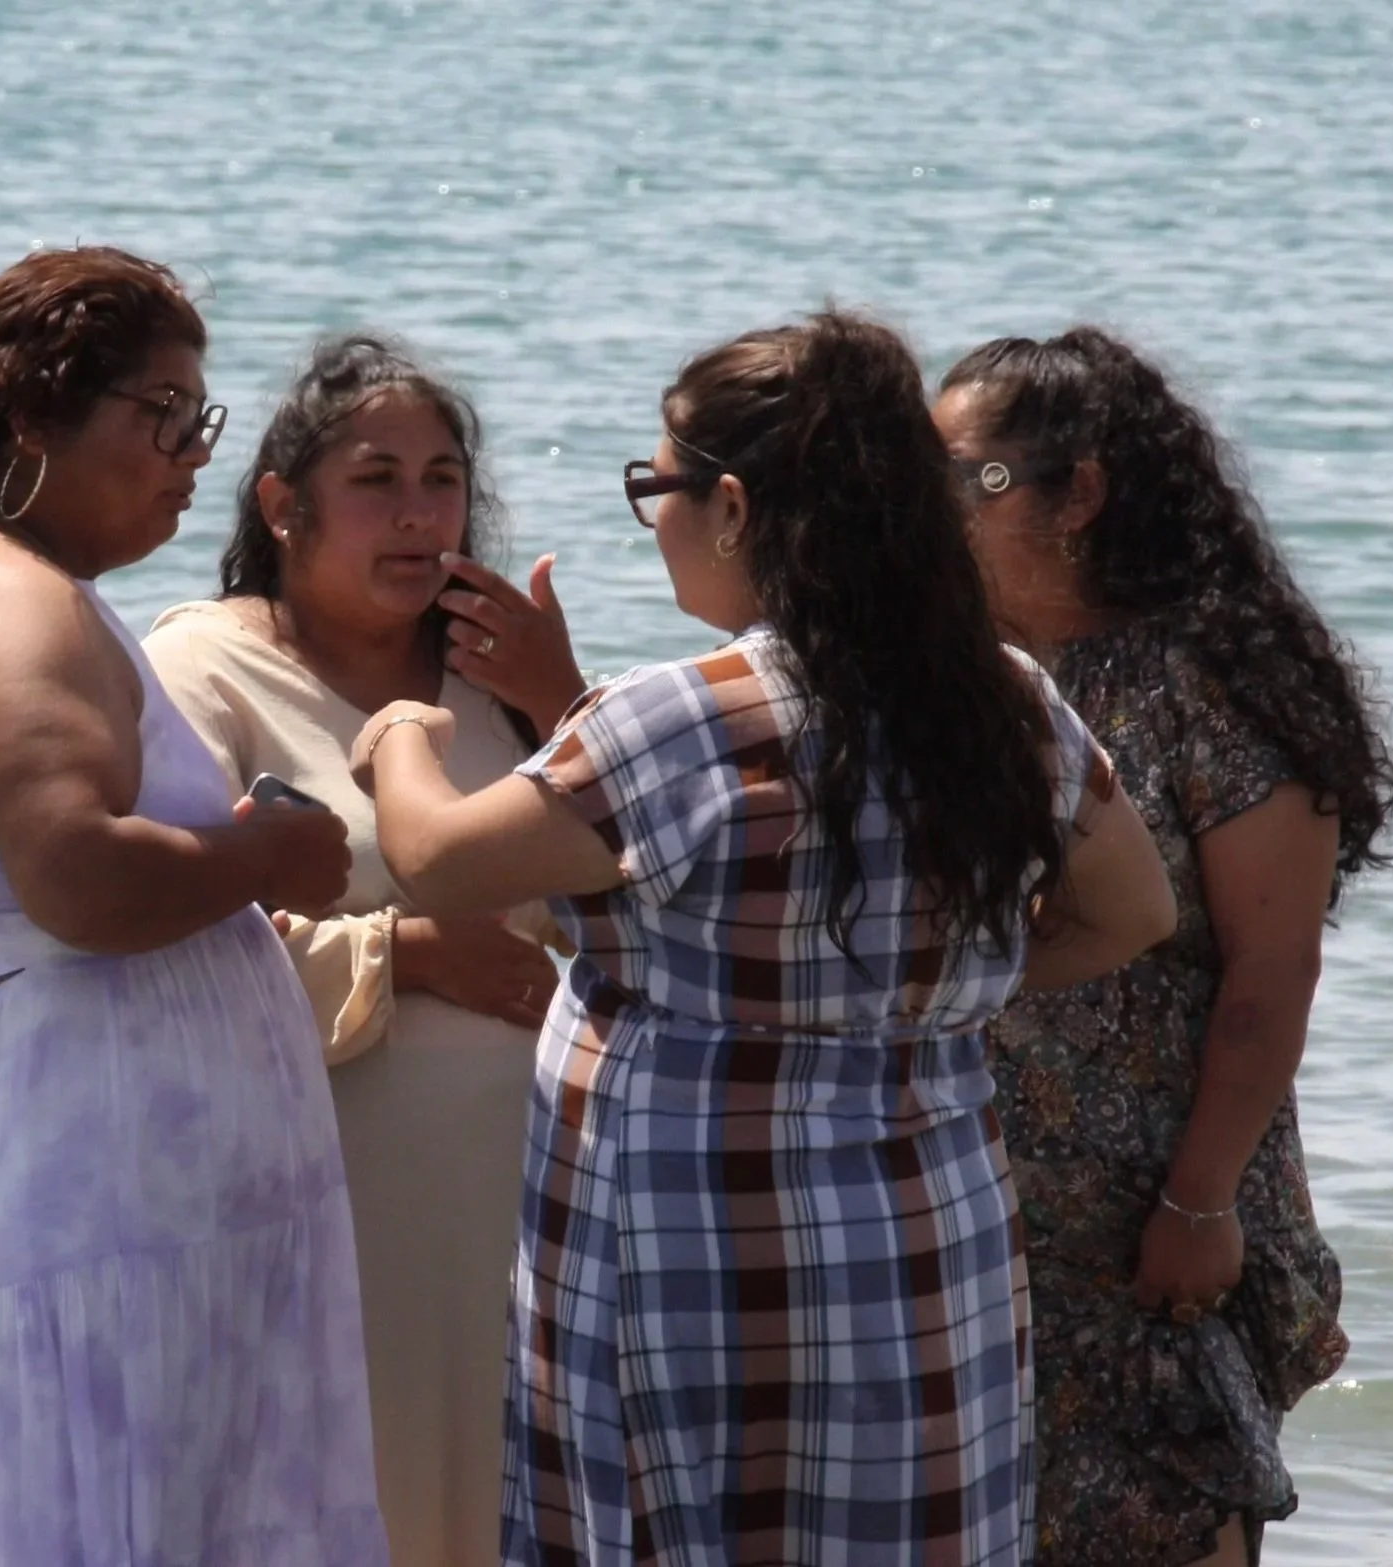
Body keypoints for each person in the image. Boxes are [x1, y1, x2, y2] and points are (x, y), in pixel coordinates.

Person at [350, 310, 1178, 1567]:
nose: (654, 514)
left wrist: (396, 740)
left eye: (655, 485)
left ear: (730, 505)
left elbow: (436, 859)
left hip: (688, 1250)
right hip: (920, 1239)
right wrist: (916, 992)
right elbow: (1133, 912)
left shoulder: (678, 715)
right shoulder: (1002, 699)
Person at [0, 247, 386, 1567]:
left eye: (197, 421)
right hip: (52, 1218)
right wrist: (266, 847)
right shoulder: (9, 604)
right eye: (160, 415)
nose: (187, 455)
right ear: (34, 417)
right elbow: (79, 880)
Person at [933, 327, 1393, 1566]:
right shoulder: (963, 681)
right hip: (967, 1202)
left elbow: (1269, 970)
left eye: (958, 481)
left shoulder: (1209, 681)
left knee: (1164, 1507)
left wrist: (1197, 1199)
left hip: (1153, 1202)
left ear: (1076, 494)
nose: (925, 514)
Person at [141, 334, 584, 1567]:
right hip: (317, 1202)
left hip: (529, 1205)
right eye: (375, 480)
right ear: (283, 505)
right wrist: (411, 956)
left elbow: (647, 890)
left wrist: (567, 703)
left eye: (440, 479)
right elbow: (162, 953)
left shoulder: (502, 678)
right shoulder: (201, 669)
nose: (416, 513)